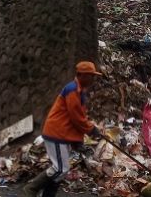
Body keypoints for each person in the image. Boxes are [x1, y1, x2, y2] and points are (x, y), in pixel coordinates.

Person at [23, 61, 103, 197]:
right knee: (60, 169)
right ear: (81, 75)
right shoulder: (72, 90)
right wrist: (91, 129)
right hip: (56, 134)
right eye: (91, 76)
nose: (93, 79)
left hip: (62, 134)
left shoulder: (78, 91)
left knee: (61, 171)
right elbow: (76, 117)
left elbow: (76, 119)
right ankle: (31, 188)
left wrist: (78, 140)